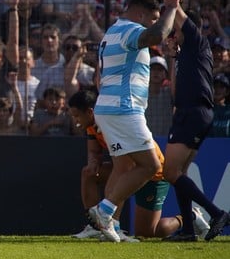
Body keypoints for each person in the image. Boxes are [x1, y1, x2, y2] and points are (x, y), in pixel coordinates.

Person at [90, 0, 180, 242]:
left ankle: (112, 228)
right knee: (151, 166)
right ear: (139, 14)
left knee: (122, 167)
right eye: (152, 17)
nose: (154, 22)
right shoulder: (130, 29)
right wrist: (171, 8)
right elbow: (158, 34)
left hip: (108, 109)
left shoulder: (112, 31)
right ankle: (104, 211)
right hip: (123, 108)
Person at [154, 0, 230, 241]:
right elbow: (175, 91)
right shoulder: (186, 53)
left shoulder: (197, 40)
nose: (171, 27)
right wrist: (173, 56)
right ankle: (188, 228)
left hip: (193, 112)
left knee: (170, 172)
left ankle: (215, 212)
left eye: (175, 26)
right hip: (190, 112)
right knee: (180, 173)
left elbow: (172, 3)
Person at [67, 89, 207, 240]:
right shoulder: (91, 126)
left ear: (90, 112)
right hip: (129, 170)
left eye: (76, 116)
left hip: (153, 176)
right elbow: (94, 152)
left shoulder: (111, 123)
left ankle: (190, 217)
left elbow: (126, 166)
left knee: (148, 232)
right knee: (89, 173)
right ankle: (95, 226)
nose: (75, 121)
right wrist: (93, 162)